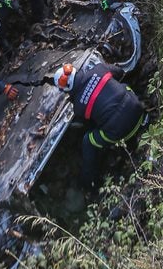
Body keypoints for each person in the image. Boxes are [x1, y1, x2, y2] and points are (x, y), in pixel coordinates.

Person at [53, 58, 145, 190]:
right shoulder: (99, 69)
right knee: (123, 86)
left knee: (88, 140)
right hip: (138, 110)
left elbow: (88, 125)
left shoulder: (78, 107)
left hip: (123, 133)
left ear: (65, 90)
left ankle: (88, 182)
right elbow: (120, 72)